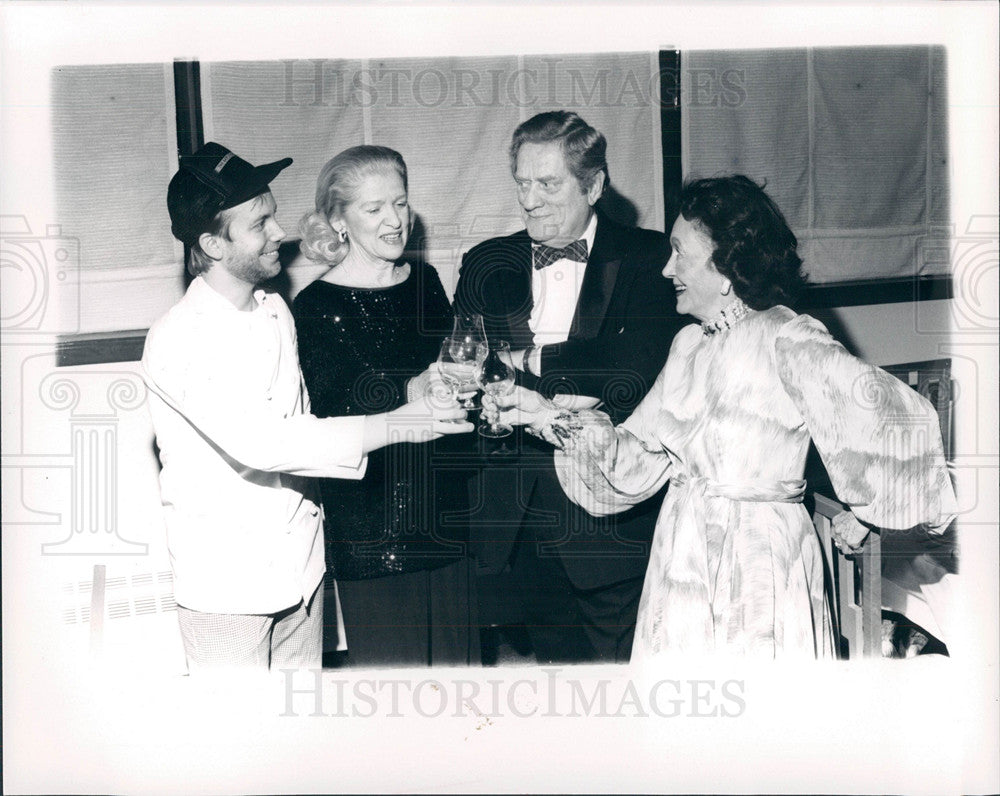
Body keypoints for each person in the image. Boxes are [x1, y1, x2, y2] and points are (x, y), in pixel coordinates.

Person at [490, 174, 958, 660]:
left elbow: (896, 416)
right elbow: (634, 459)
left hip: (759, 563)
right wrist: (541, 414)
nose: (666, 268)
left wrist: (866, 511)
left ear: (728, 266)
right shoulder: (688, 345)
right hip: (682, 554)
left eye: (680, 254)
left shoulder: (787, 337)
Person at [141, 142, 471, 673]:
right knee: (239, 741)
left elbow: (310, 418)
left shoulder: (275, 310)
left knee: (302, 731)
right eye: (259, 224)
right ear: (212, 244)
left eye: (272, 216)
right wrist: (401, 421)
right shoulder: (179, 336)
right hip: (229, 585)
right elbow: (267, 443)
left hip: (302, 568)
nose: (279, 233)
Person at [454, 111, 687, 664]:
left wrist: (521, 362)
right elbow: (462, 366)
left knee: (626, 682)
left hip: (610, 516)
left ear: (595, 185)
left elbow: (634, 374)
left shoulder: (650, 258)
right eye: (522, 183)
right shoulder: (487, 262)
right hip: (515, 519)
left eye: (548, 183)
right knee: (556, 684)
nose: (529, 200)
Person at [293, 145, 478, 667]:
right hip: (371, 522)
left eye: (400, 203)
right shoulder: (314, 307)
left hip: (443, 503)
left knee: (459, 679)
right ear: (338, 221)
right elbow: (331, 415)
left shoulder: (425, 282)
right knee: (392, 694)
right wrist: (414, 387)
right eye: (374, 209)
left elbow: (451, 368)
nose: (395, 221)